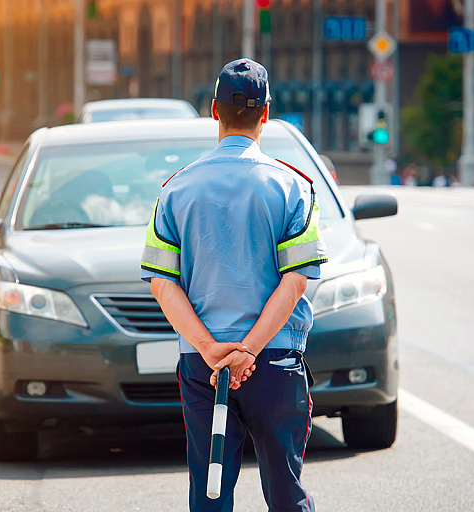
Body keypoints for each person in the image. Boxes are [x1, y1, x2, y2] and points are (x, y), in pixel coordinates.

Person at [140, 58, 328, 512]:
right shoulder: (294, 188)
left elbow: (162, 284)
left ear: (213, 110)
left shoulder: (175, 190)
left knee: (210, 495)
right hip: (275, 363)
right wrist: (249, 350)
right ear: (266, 114)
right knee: (286, 494)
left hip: (204, 370)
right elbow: (295, 281)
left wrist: (210, 349)